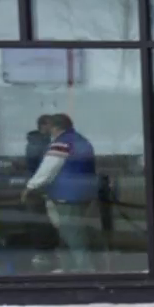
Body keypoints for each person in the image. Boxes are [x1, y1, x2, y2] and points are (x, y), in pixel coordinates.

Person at [19, 114, 101, 273]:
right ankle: (69, 267)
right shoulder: (81, 140)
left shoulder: (62, 143)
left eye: (50, 128)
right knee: (72, 231)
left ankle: (85, 268)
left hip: (67, 194)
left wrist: (30, 187)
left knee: (72, 233)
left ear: (55, 127)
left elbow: (49, 168)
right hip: (84, 193)